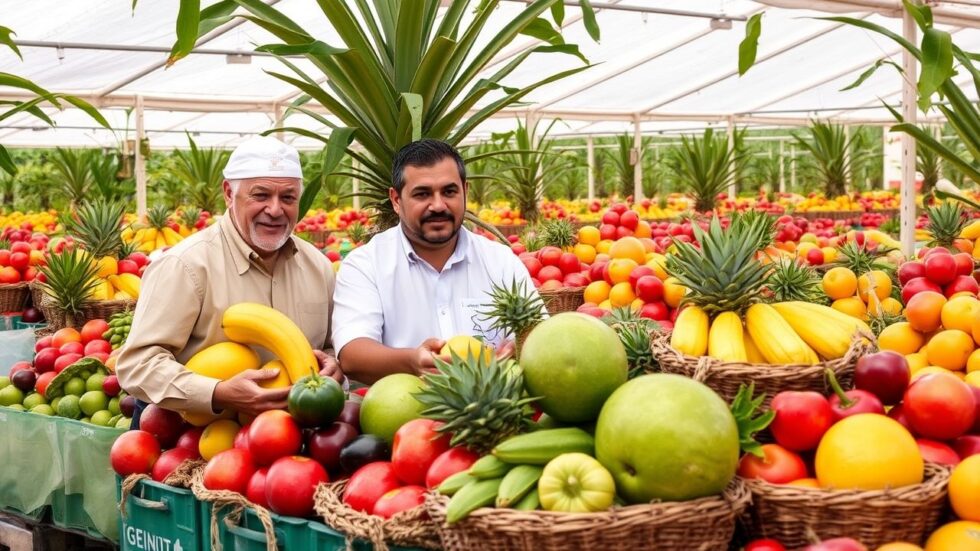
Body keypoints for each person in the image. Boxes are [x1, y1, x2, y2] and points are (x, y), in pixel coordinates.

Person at [116, 136, 342, 422]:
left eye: (288, 198)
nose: (275, 210)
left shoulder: (319, 267)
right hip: (197, 438)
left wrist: (334, 363)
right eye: (260, 196)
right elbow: (138, 364)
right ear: (228, 193)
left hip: (290, 437)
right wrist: (216, 393)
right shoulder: (185, 265)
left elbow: (331, 345)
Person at [332, 139, 540, 384]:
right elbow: (352, 354)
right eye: (422, 194)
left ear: (465, 191)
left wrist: (517, 349)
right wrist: (412, 361)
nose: (438, 205)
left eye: (449, 192)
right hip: (403, 416)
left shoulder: (500, 260)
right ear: (396, 200)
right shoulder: (365, 265)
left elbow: (539, 333)